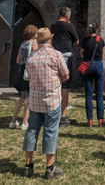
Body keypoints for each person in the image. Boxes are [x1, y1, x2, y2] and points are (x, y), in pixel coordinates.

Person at [22, 28, 70, 179]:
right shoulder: (56, 55)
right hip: (52, 100)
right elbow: (66, 75)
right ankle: (49, 168)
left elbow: (28, 76)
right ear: (50, 40)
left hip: (35, 100)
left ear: (37, 40)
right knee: (50, 131)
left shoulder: (31, 57)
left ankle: (28, 166)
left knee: (32, 130)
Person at [50, 7, 79, 126]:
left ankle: (53, 113)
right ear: (67, 16)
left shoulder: (53, 25)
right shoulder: (69, 26)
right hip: (66, 56)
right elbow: (76, 41)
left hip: (55, 55)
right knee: (65, 85)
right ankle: (63, 116)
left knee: (55, 84)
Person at [11, 25, 39, 130]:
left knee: (21, 97)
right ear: (33, 34)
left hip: (22, 70)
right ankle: (25, 122)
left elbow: (18, 60)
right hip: (30, 71)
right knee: (29, 98)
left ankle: (13, 120)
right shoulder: (34, 43)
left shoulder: (22, 44)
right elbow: (36, 57)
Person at [81, 23, 105, 127]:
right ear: (97, 29)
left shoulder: (85, 41)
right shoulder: (101, 40)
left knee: (89, 94)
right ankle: (100, 119)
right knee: (99, 94)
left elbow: (82, 53)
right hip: (98, 64)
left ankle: (89, 120)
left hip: (88, 65)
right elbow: (103, 54)